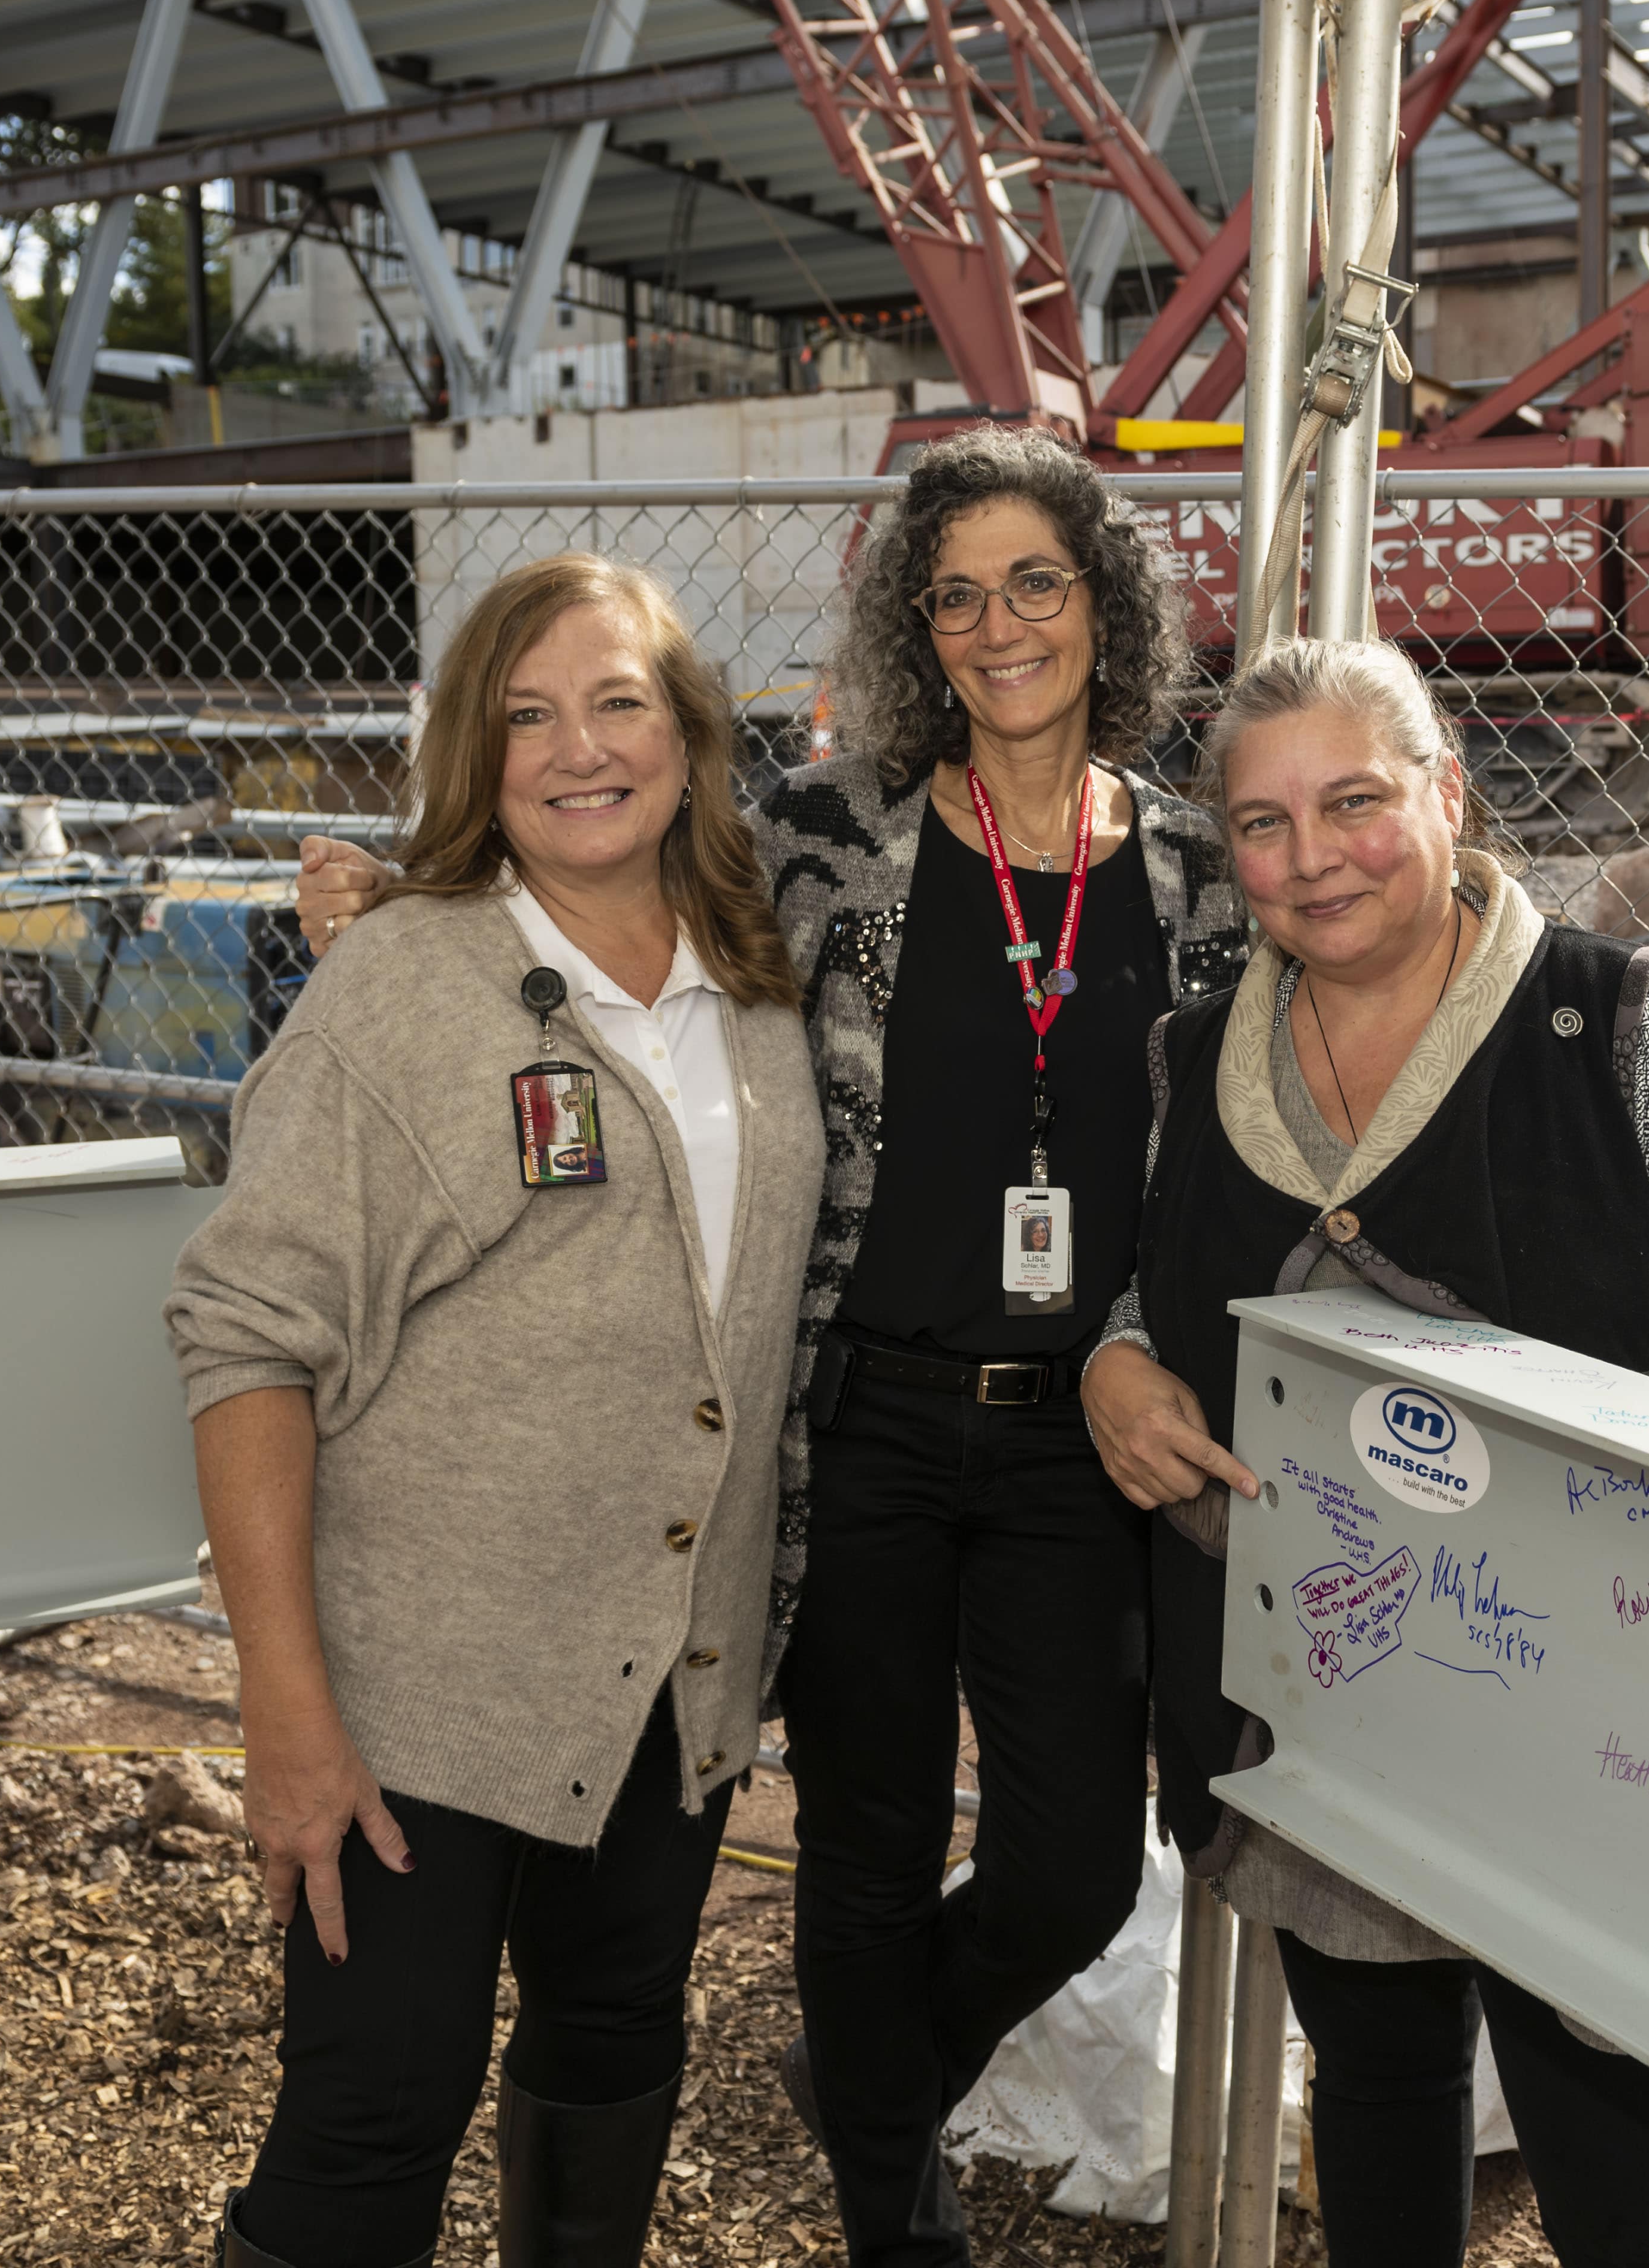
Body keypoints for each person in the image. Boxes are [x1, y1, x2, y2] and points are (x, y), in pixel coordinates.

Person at [289, 427, 1249, 2268]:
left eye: (1035, 583)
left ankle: (866, 2079)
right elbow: (584, 873)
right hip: (859, 1420)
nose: (997, 626)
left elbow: (1228, 1162)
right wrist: (382, 910)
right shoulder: (824, 837)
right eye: (954, 594)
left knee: (1059, 1869)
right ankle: (903, 2225)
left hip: (1083, 1437)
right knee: (867, 1852)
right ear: (918, 627)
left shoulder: (1195, 882)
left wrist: (1131, 1328)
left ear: (1102, 603)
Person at [1078, 637, 1649, 2268]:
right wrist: (1120, 1367)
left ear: (1446, 793)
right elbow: (1150, 1293)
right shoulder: (1192, 1057)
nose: (1314, 859)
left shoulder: (1613, 1022)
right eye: (1267, 826)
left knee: (1620, 2134)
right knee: (1374, 2082)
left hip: (1590, 1699)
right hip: (1328, 1678)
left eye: (1355, 803)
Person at [168, 554, 824, 2268]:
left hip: (666, 1678)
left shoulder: (758, 985)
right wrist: (288, 1714)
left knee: (613, 2051)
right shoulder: (406, 987)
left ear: (688, 734)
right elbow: (242, 1336)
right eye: (524, 715)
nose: (577, 748)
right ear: (475, 752)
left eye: (618, 702)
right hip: (419, 1693)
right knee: (375, 2109)